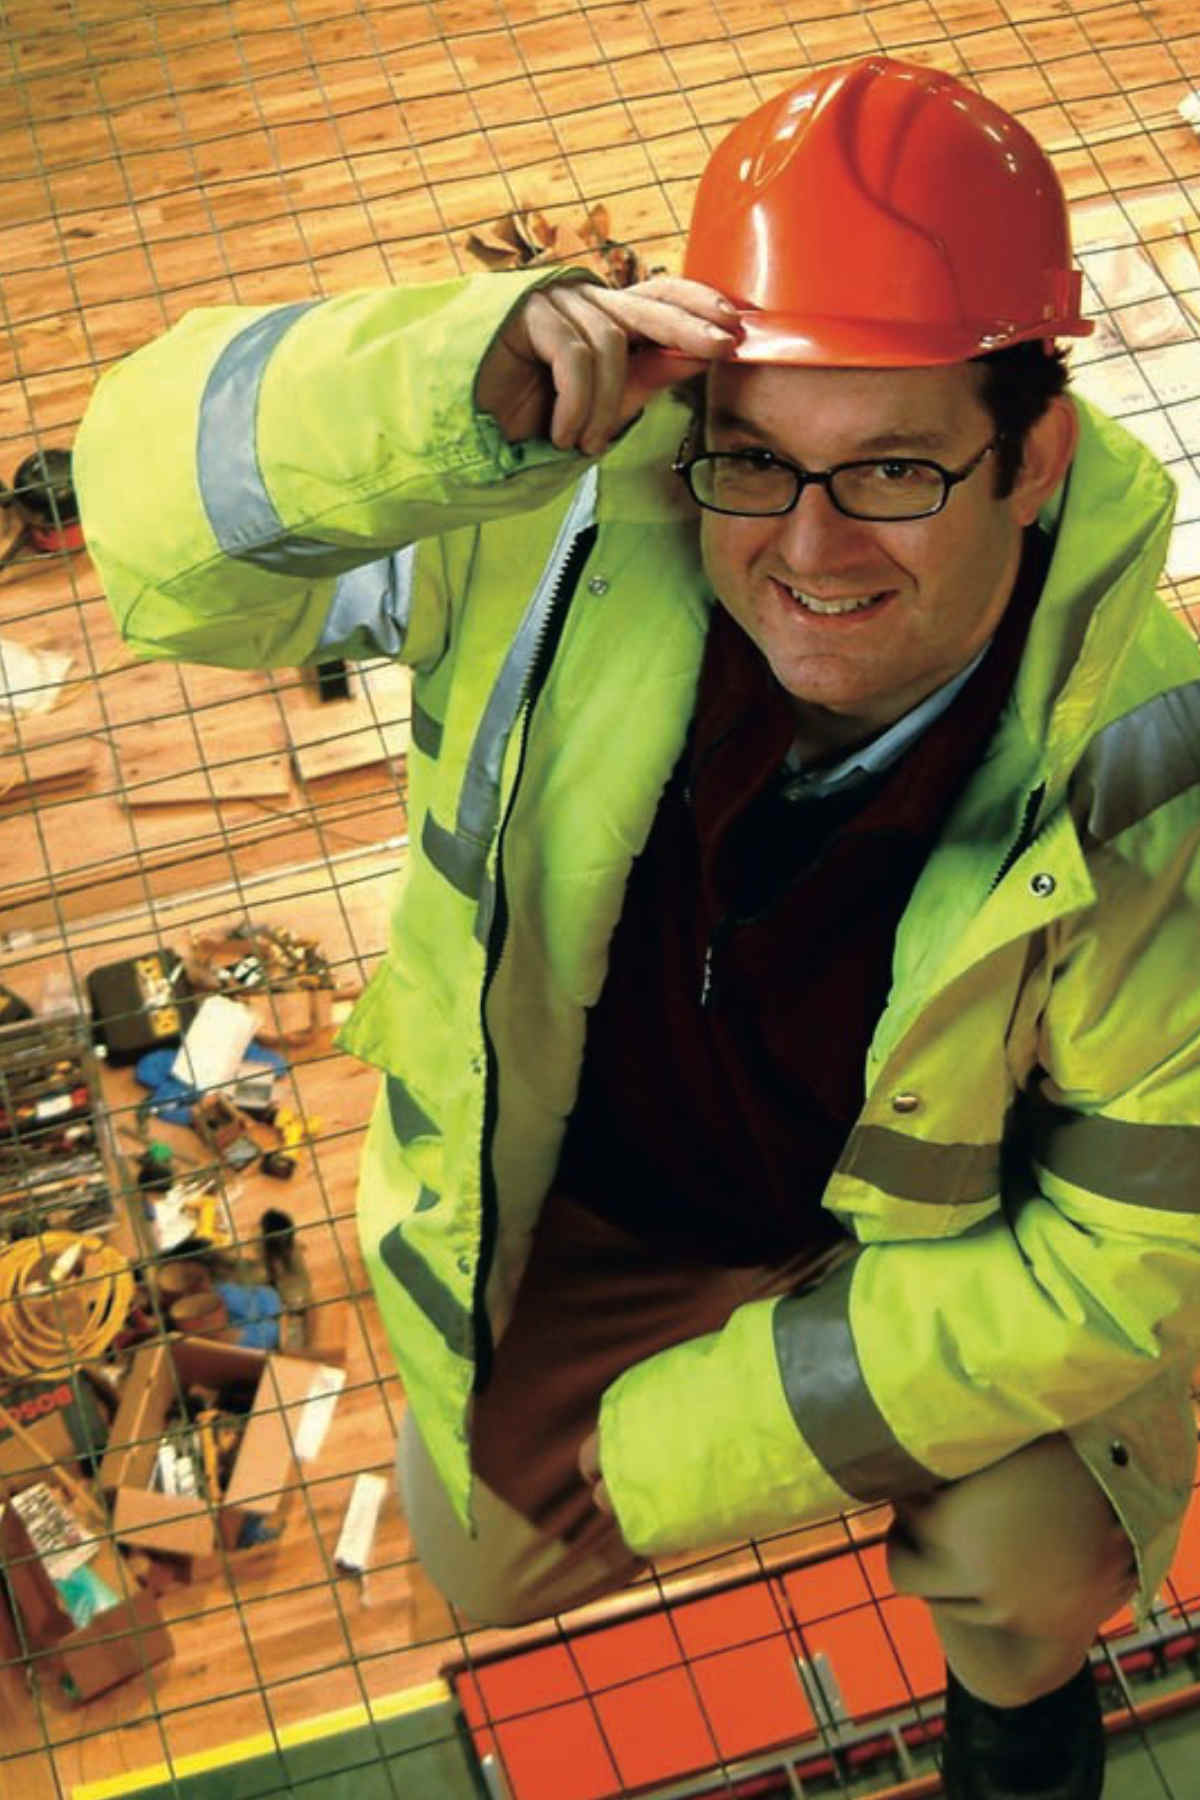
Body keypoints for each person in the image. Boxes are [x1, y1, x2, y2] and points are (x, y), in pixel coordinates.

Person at [74, 55, 1200, 1800]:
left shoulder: (1154, 771)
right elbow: (157, 543)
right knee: (483, 1564)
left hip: (930, 1247)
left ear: (1032, 456)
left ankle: (1021, 1724)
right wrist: (436, 389)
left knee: (1035, 1561)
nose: (811, 552)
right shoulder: (555, 524)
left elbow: (1129, 1256)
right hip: (612, 1197)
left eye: (894, 470)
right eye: (758, 461)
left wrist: (698, 1446)